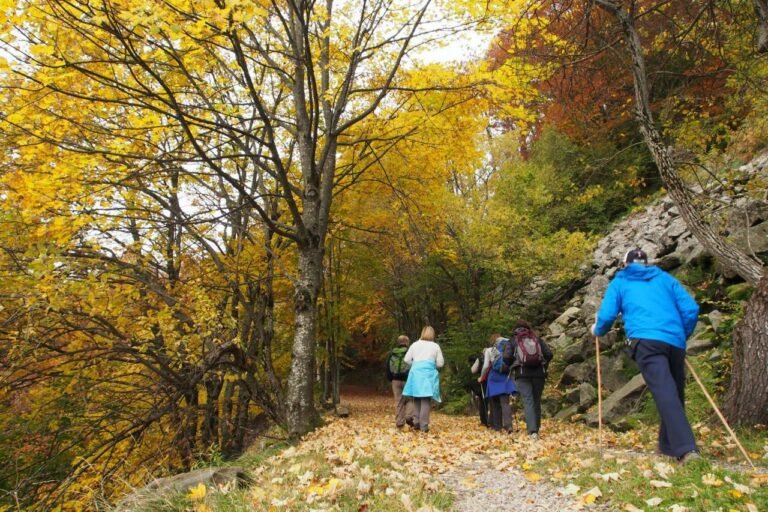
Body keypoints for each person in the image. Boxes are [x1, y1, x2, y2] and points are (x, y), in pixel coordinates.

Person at [591, 248, 700, 463]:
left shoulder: (621, 281)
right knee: (673, 393)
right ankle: (669, 447)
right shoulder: (665, 279)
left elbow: (607, 314)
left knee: (665, 392)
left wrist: (597, 330)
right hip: (674, 341)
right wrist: (681, 334)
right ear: (646, 263)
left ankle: (687, 449)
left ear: (625, 264)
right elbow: (691, 309)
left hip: (645, 340)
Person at [510, 320, 553, 440]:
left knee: (528, 401)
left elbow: (506, 357)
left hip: (522, 375)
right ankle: (536, 429)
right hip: (539, 374)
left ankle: (532, 431)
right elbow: (549, 354)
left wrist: (513, 365)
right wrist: (543, 365)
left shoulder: (514, 340)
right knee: (536, 401)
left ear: (515, 329)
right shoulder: (536, 339)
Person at [402, 326, 444, 433]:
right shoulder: (435, 346)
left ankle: (416, 422)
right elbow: (440, 363)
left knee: (416, 398)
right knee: (425, 400)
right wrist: (431, 364)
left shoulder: (415, 344)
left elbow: (406, 359)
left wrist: (416, 364)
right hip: (428, 375)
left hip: (415, 374)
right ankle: (424, 425)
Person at [480, 333, 516, 433]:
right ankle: (509, 426)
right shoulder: (509, 346)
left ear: (493, 341)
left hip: (494, 377)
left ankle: (497, 427)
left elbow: (486, 366)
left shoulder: (489, 350)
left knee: (495, 403)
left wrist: (482, 377)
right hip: (505, 377)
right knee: (505, 403)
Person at [386, 335, 416, 428]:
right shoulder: (410, 352)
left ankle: (399, 422)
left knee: (399, 401)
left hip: (395, 380)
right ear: (407, 342)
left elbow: (387, 367)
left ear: (398, 342)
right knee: (410, 399)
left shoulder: (392, 353)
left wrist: (391, 378)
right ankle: (409, 417)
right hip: (408, 379)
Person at [468, 352, 489, 427]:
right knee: (494, 401)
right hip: (493, 381)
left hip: (483, 381)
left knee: (483, 401)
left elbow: (472, 370)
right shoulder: (496, 355)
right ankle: (495, 421)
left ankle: (484, 421)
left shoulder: (480, 358)